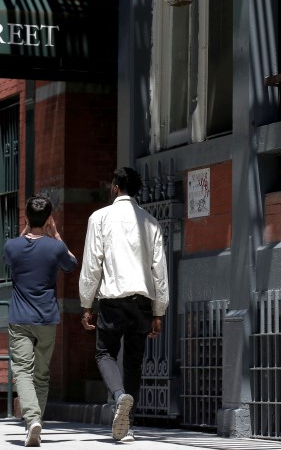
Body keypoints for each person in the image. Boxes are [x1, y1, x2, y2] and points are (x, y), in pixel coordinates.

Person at [79, 167, 169, 443]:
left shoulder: (100, 218)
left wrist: (86, 304)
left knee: (104, 353)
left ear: (116, 186)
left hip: (112, 301)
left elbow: (93, 264)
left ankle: (119, 398)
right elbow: (159, 271)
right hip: (142, 302)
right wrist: (159, 311)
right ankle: (127, 426)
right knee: (133, 363)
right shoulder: (151, 222)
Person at [4, 196, 78, 447]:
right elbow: (71, 263)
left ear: (25, 217)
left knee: (22, 371)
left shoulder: (11, 246)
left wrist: (25, 229)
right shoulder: (54, 247)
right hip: (46, 318)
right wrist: (55, 234)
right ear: (49, 219)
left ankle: (32, 420)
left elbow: (11, 256)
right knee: (42, 375)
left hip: (20, 318)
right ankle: (35, 423)